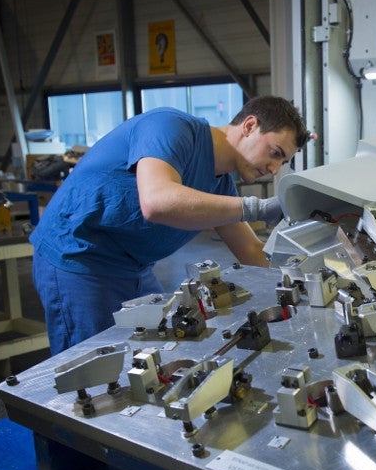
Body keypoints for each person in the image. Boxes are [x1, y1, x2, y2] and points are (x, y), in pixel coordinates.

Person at [30, 95, 310, 355]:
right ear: (249, 126)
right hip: (79, 259)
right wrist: (257, 208)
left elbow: (250, 250)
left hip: (135, 267)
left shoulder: (220, 184)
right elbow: (157, 202)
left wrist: (310, 277)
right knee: (97, 368)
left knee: (157, 353)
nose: (275, 169)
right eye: (275, 153)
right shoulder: (170, 127)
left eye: (283, 162)